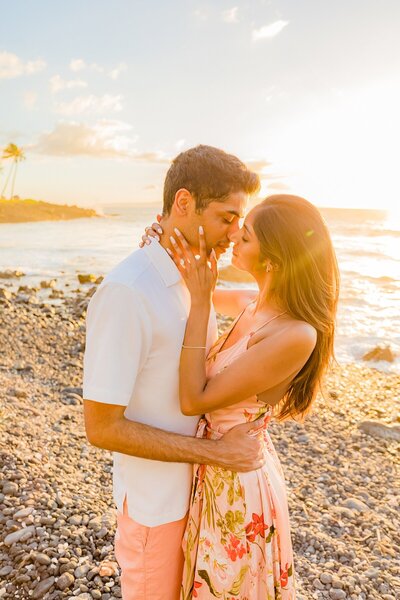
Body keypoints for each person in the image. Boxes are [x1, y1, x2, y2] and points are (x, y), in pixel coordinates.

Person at [82, 145, 263, 600]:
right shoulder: (128, 292)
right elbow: (101, 427)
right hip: (156, 508)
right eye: (227, 217)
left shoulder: (188, 274)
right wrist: (218, 453)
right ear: (184, 203)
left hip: (194, 498)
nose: (234, 233)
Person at [144, 194, 339, 598]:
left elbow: (194, 400)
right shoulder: (251, 304)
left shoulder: (294, 334)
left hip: (238, 483)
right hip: (216, 467)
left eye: (245, 236)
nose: (234, 236)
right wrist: (158, 249)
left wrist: (200, 300)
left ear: (275, 259)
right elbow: (175, 291)